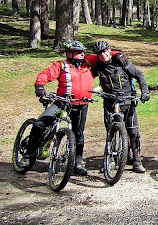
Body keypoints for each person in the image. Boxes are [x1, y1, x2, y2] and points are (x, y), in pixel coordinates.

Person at [25, 40, 114, 175]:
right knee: (39, 124)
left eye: (83, 52)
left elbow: (106, 54)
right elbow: (45, 75)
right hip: (62, 102)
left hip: (81, 104)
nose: (82, 54)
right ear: (70, 54)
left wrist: (119, 55)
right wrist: (40, 86)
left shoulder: (88, 63)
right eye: (79, 52)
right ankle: (28, 155)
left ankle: (77, 162)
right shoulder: (61, 65)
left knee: (79, 134)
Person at [92, 41, 150, 173]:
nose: (103, 55)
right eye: (99, 53)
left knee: (133, 132)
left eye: (105, 51)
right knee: (110, 132)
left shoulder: (121, 62)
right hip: (109, 102)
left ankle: (136, 160)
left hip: (127, 100)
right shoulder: (97, 66)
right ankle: (110, 159)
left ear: (109, 50)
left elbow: (139, 74)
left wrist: (145, 92)